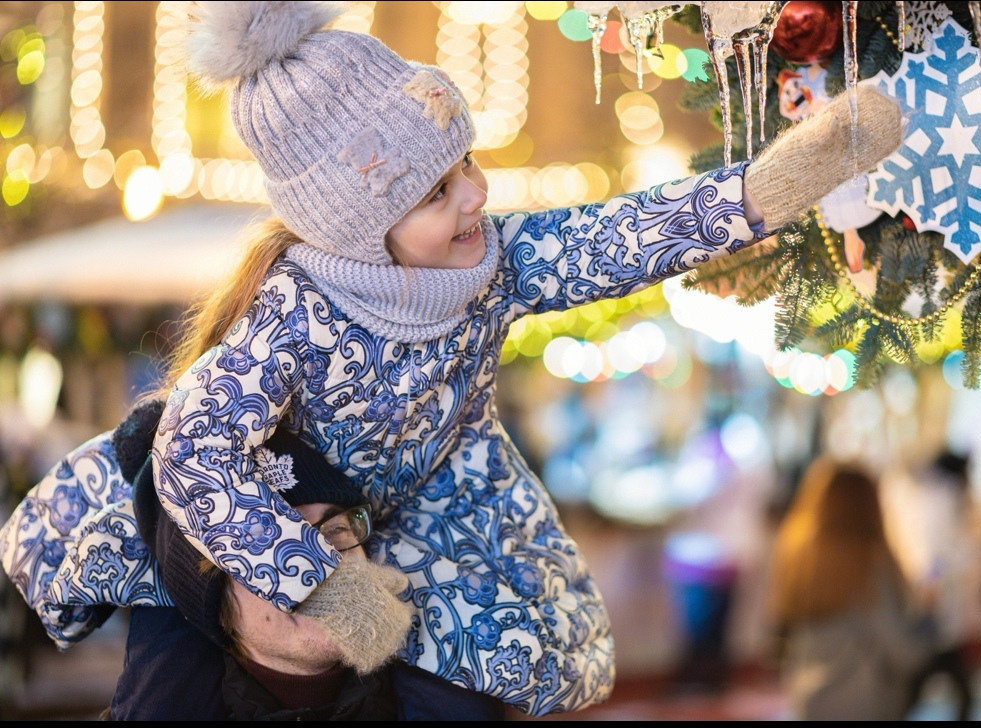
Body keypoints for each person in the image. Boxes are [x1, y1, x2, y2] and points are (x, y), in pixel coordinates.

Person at [0, 0, 903, 717]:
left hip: (433, 499)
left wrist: (773, 185)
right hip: (269, 520)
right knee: (173, 681)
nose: (476, 193)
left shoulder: (491, 264)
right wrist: (327, 588)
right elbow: (193, 454)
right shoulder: (295, 312)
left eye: (464, 161)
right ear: (362, 224)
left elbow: (615, 238)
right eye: (437, 190)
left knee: (470, 670)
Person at [110, 409, 410, 720]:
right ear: (217, 609)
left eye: (336, 528)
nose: (322, 558)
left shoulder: (433, 698)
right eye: (272, 542)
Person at [767, 456, 935, 720]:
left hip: (808, 698)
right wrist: (929, 621)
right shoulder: (869, 563)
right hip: (864, 700)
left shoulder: (797, 555)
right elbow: (900, 650)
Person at [901, 450, 976, 720]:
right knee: (931, 673)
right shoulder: (941, 499)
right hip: (936, 605)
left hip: (939, 604)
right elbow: (933, 553)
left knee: (930, 676)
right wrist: (932, 588)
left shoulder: (939, 498)